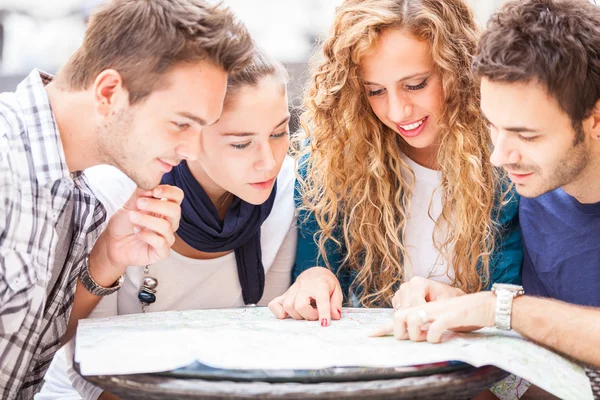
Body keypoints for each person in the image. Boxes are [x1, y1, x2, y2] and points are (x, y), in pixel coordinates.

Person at [0, 0, 253, 398]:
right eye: (181, 123)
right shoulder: (6, 163)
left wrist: (105, 260)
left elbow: (24, 356)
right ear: (109, 92)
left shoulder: (80, 196)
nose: (191, 150)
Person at [37, 48, 297, 400]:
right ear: (190, 136)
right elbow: (86, 364)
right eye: (241, 143)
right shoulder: (121, 189)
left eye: (279, 133)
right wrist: (108, 261)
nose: (268, 162)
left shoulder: (286, 188)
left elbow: (267, 336)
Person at [376, 0, 600, 397]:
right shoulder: (531, 192)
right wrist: (462, 307)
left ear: (595, 120)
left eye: (527, 135)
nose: (499, 157)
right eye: (493, 127)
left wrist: (500, 309)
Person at [268, 0, 522, 327]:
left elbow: (515, 304)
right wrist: (314, 277)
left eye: (415, 85)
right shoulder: (332, 165)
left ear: (458, 68)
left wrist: (469, 307)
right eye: (375, 91)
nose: (398, 111)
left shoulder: (507, 164)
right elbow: (317, 268)